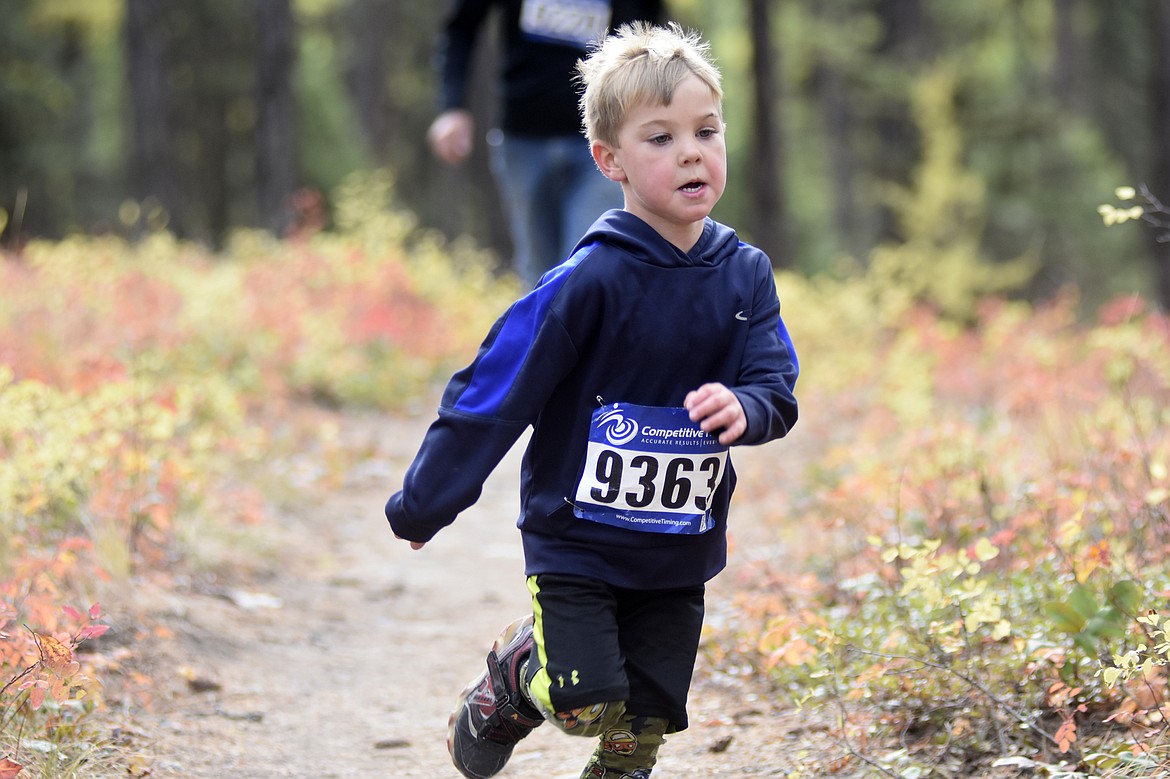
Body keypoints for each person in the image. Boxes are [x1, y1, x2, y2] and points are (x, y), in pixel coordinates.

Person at [388, 21, 799, 779]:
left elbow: (775, 380)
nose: (690, 152)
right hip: (577, 538)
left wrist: (749, 407)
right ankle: (513, 676)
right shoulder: (588, 282)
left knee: (643, 719)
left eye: (706, 131)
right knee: (584, 702)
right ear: (608, 159)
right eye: (660, 137)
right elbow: (491, 393)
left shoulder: (745, 274)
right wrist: (426, 500)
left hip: (679, 539)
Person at [427, 0, 664, 286]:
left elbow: (652, 41)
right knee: (540, 276)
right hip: (522, 141)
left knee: (589, 266)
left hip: (604, 144)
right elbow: (461, 26)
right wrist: (452, 107)